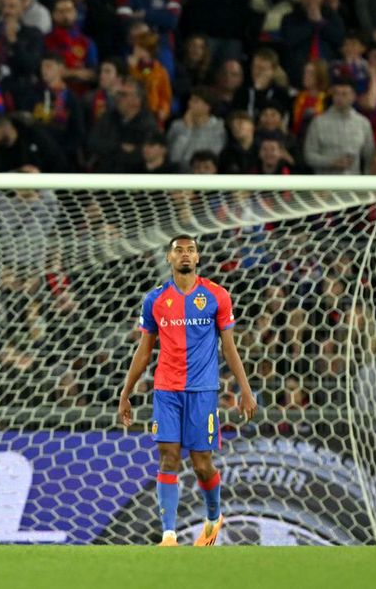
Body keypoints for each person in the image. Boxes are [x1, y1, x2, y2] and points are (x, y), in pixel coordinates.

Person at [117, 234, 257, 546]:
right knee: (168, 458)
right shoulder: (155, 300)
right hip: (166, 390)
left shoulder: (216, 295)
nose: (184, 254)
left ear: (197, 258)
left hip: (202, 391)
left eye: (190, 250)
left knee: (201, 464)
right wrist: (125, 393)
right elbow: (144, 350)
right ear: (169, 258)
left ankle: (213, 518)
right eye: (178, 250)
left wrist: (245, 390)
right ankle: (169, 534)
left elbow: (229, 347)